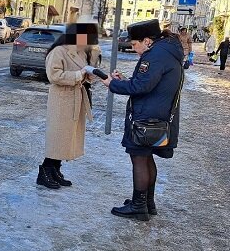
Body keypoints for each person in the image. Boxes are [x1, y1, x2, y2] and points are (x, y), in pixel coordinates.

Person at [100, 19, 183, 221]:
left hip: (147, 117)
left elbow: (141, 87)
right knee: (147, 158)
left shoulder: (155, 55)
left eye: (135, 44)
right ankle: (147, 202)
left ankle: (139, 206)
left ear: (147, 40)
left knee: (139, 158)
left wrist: (112, 84)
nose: (134, 49)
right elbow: (149, 83)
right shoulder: (166, 51)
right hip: (157, 116)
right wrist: (125, 81)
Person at [37, 23, 99, 189]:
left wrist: (90, 65)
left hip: (75, 98)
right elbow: (54, 75)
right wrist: (79, 75)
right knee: (57, 137)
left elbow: (87, 74)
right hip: (61, 100)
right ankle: (44, 172)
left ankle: (55, 170)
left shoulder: (80, 51)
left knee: (66, 139)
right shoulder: (59, 51)